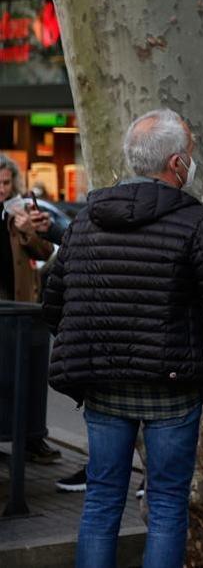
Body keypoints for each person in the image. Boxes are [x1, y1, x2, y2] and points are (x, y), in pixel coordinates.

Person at [43, 109, 203, 567]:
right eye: (189, 153)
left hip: (103, 386)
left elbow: (53, 303)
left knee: (100, 501)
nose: (192, 161)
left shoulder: (86, 220)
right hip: (173, 389)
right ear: (176, 164)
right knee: (169, 506)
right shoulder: (199, 224)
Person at [0, 155, 62, 464]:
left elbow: (46, 252)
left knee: (29, 375)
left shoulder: (20, 210)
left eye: (6, 183)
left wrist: (29, 231)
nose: (1, 189)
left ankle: (32, 438)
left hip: (21, 307)